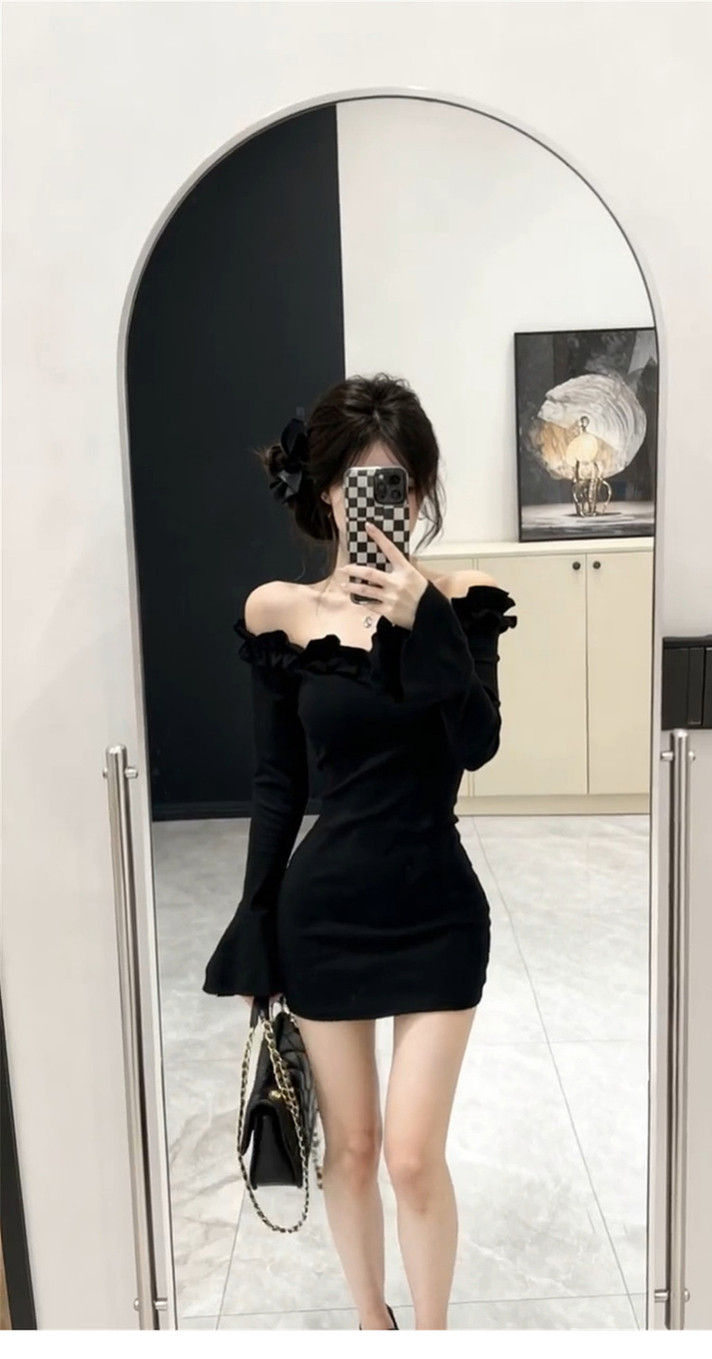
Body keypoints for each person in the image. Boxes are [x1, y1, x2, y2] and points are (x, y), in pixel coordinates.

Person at [203, 373, 517, 1330]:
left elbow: (478, 744)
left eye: (400, 484)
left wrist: (427, 621)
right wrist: (255, 926)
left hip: (437, 909)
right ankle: (372, 1326)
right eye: (361, 482)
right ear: (329, 490)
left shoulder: (461, 604)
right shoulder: (282, 611)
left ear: (418, 494)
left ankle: (433, 1336)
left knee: (414, 1157)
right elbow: (276, 786)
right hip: (325, 916)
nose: (381, 501)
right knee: (352, 1147)